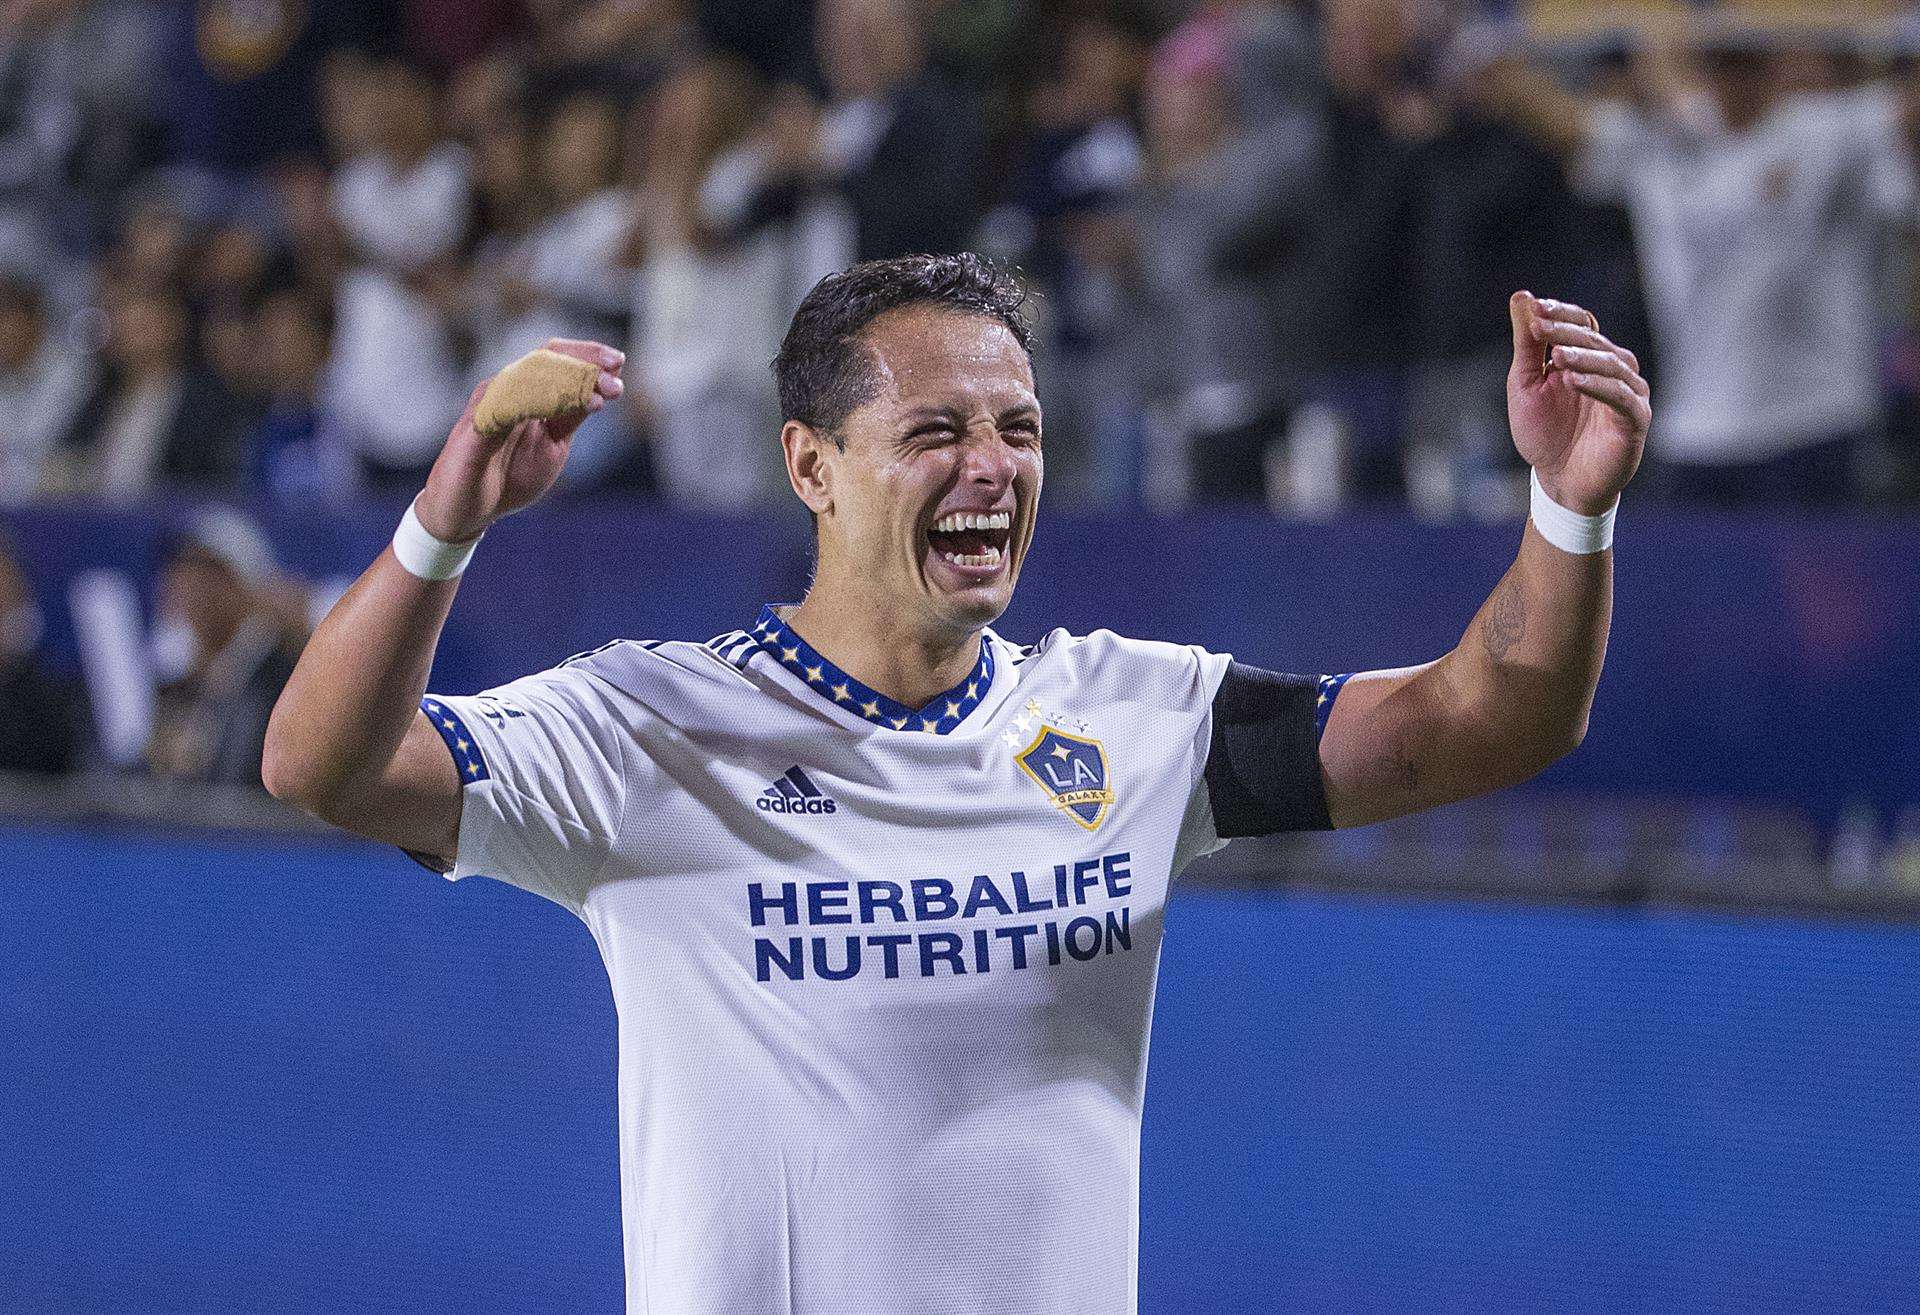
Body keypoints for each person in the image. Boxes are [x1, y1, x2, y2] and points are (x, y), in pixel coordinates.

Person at [262, 253, 1649, 1313]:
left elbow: (1491, 717)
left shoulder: (1136, 718)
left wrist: (1568, 505)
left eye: (1020, 428)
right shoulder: (646, 729)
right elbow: (319, 761)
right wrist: (447, 515)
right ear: (812, 463)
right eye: (934, 432)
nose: (992, 467)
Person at [1486, 17, 1918, 505]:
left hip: (1813, 419)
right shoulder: (1661, 139)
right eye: (1719, 62)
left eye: (1747, 61)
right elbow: (1553, 116)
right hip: (1696, 427)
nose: (1734, 77)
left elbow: (1904, 112)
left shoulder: (1824, 130)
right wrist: (1497, 33)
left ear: (1774, 62)